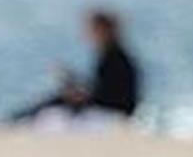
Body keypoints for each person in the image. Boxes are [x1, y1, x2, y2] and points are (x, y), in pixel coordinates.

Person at [9, 9, 141, 126]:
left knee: (57, 102)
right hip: (112, 108)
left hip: (113, 112)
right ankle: (16, 120)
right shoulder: (112, 55)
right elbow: (104, 88)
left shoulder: (115, 58)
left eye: (93, 29)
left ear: (104, 30)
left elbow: (113, 95)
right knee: (59, 99)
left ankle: (15, 121)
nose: (88, 33)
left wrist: (80, 95)